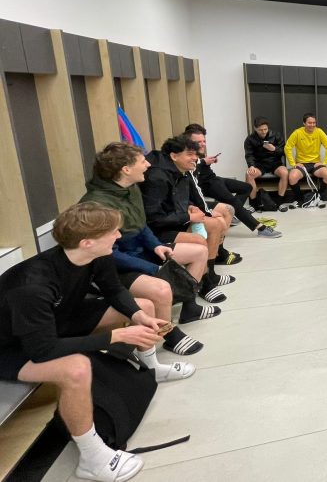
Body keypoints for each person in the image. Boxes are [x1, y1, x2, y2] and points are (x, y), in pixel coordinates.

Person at [0, 203, 193, 482]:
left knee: (144, 306)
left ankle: (152, 368)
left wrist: (139, 317)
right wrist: (117, 336)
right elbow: (43, 350)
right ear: (87, 242)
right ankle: (92, 458)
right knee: (76, 369)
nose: (119, 236)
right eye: (113, 232)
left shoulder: (96, 255)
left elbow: (114, 289)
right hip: (12, 347)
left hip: (58, 320)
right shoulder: (32, 286)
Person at [81, 142, 215, 354]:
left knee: (199, 252)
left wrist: (156, 246)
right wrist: (151, 267)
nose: (148, 165)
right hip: (114, 266)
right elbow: (107, 254)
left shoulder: (130, 188)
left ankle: (189, 307)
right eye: (142, 161)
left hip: (140, 252)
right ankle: (169, 335)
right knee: (161, 290)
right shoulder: (96, 205)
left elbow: (141, 225)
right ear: (126, 169)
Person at [140, 136, 238, 305]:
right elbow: (154, 218)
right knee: (201, 239)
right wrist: (189, 217)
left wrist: (191, 207)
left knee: (215, 224)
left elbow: (179, 199)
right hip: (157, 230)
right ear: (174, 156)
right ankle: (204, 284)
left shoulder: (180, 171)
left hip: (174, 220)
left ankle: (209, 275)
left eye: (195, 154)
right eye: (190, 154)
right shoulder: (157, 177)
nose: (195, 158)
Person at [184, 124, 282, 238]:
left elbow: (200, 166)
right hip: (206, 184)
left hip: (213, 178)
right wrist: (203, 162)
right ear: (189, 142)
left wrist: (207, 161)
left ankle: (234, 214)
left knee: (246, 187)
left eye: (204, 141)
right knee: (232, 201)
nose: (203, 144)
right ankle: (260, 228)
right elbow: (191, 170)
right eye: (198, 142)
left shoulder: (197, 152)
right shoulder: (185, 154)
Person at [285, 112, 327, 208]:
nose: (312, 125)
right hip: (301, 164)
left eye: (314, 123)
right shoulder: (297, 132)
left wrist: (324, 163)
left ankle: (318, 198)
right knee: (292, 177)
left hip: (315, 163)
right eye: (309, 123)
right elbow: (287, 147)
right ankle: (299, 199)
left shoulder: (319, 132)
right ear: (304, 123)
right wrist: (293, 164)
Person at [244, 116, 289, 211]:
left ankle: (280, 202)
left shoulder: (276, 135)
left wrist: (274, 149)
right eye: (261, 130)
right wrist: (251, 165)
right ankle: (254, 204)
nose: (264, 132)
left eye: (265, 129)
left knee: (284, 172)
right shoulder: (250, 139)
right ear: (255, 128)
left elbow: (284, 151)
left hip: (275, 162)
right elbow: (249, 155)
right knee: (249, 174)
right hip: (259, 164)